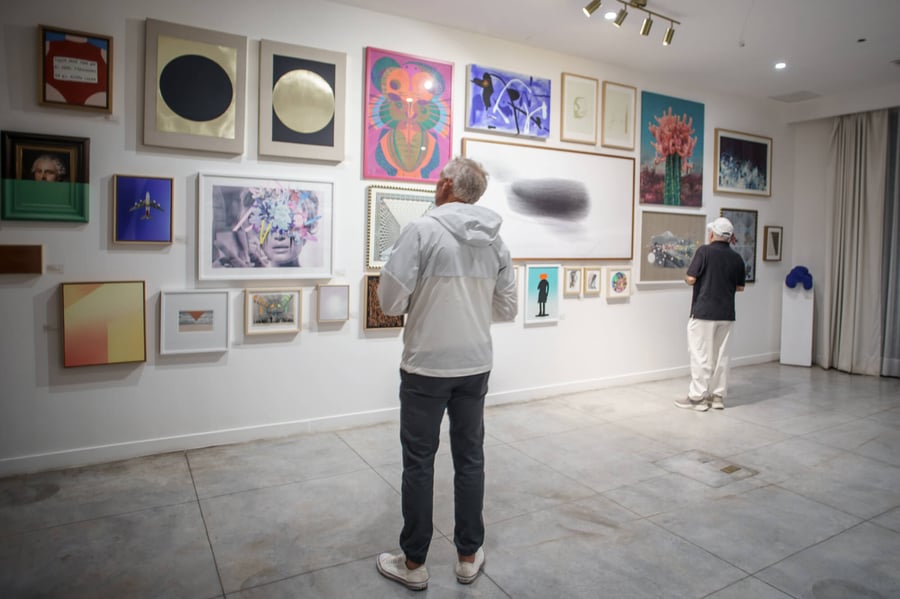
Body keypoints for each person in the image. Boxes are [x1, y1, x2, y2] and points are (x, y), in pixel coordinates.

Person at [375, 157, 517, 591]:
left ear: (443, 186)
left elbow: (390, 302)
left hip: (426, 365)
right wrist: (471, 310)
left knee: (419, 462)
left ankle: (414, 563)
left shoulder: (421, 231)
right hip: (475, 364)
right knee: (470, 458)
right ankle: (468, 557)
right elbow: (507, 307)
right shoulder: (495, 241)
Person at [676, 217, 746, 412]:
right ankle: (717, 397)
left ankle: (697, 398)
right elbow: (740, 287)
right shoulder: (737, 258)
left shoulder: (704, 252)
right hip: (727, 313)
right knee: (722, 356)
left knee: (700, 355)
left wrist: (689, 279)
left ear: (713, 234)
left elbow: (691, 278)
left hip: (704, 312)